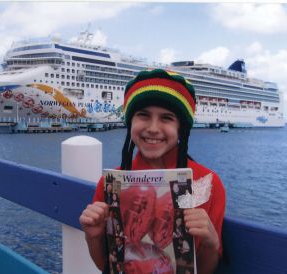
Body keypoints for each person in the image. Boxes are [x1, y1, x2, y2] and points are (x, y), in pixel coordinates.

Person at [79, 69, 226, 274]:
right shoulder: (112, 183)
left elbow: (205, 270)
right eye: (143, 115)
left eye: (166, 118)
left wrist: (211, 243)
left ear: (181, 128)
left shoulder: (206, 183)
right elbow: (107, 265)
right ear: (130, 122)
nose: (153, 128)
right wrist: (93, 236)